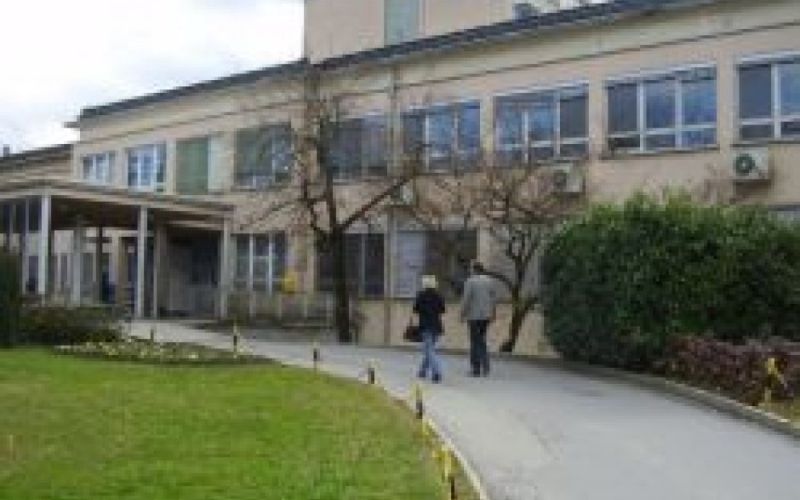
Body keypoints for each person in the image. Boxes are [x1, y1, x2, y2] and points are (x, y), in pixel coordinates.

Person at [460, 261, 497, 377]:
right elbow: (493, 298)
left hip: (474, 316)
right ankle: (485, 366)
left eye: (471, 269)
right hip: (486, 316)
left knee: (475, 341)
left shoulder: (470, 281)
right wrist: (493, 313)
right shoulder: (490, 281)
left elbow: (466, 299)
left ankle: (477, 368)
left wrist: (462, 314)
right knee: (481, 339)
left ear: (474, 270)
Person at [413, 275, 446, 383]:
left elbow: (415, 309)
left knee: (429, 350)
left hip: (425, 326)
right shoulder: (438, 295)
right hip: (437, 326)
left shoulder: (421, 295)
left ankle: (436, 372)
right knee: (429, 349)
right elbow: (442, 310)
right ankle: (422, 371)